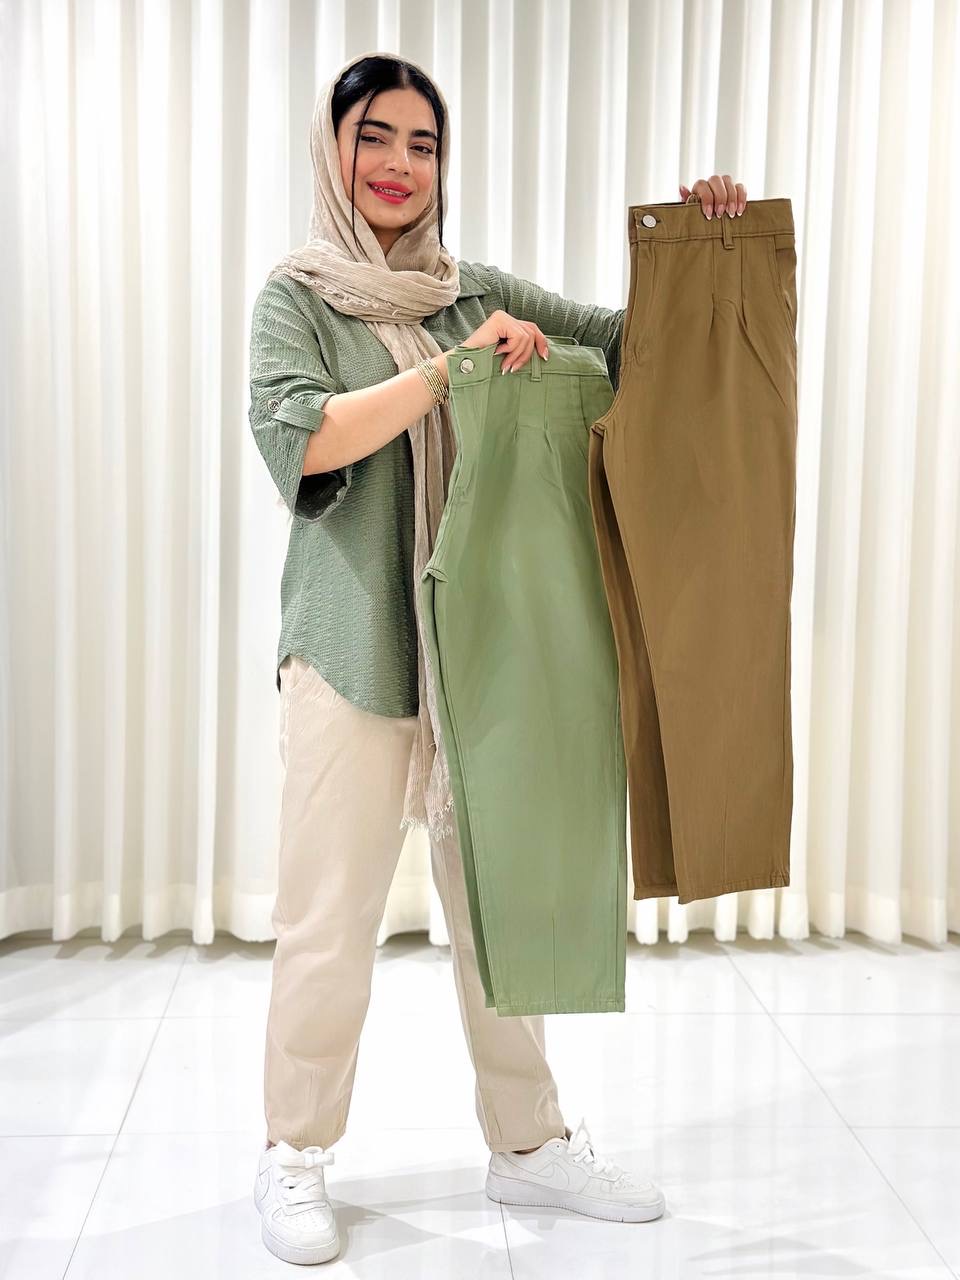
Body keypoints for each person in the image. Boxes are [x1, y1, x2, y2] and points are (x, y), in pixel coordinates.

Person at [248, 48, 747, 1267]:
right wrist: (451, 373)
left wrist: (702, 242)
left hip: (484, 651)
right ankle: (295, 1150)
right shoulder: (297, 297)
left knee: (503, 911)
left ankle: (528, 1142)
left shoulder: (474, 291)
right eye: (374, 137)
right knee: (328, 922)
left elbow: (631, 347)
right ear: (332, 148)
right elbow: (304, 438)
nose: (399, 164)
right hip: (352, 650)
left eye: (422, 143)